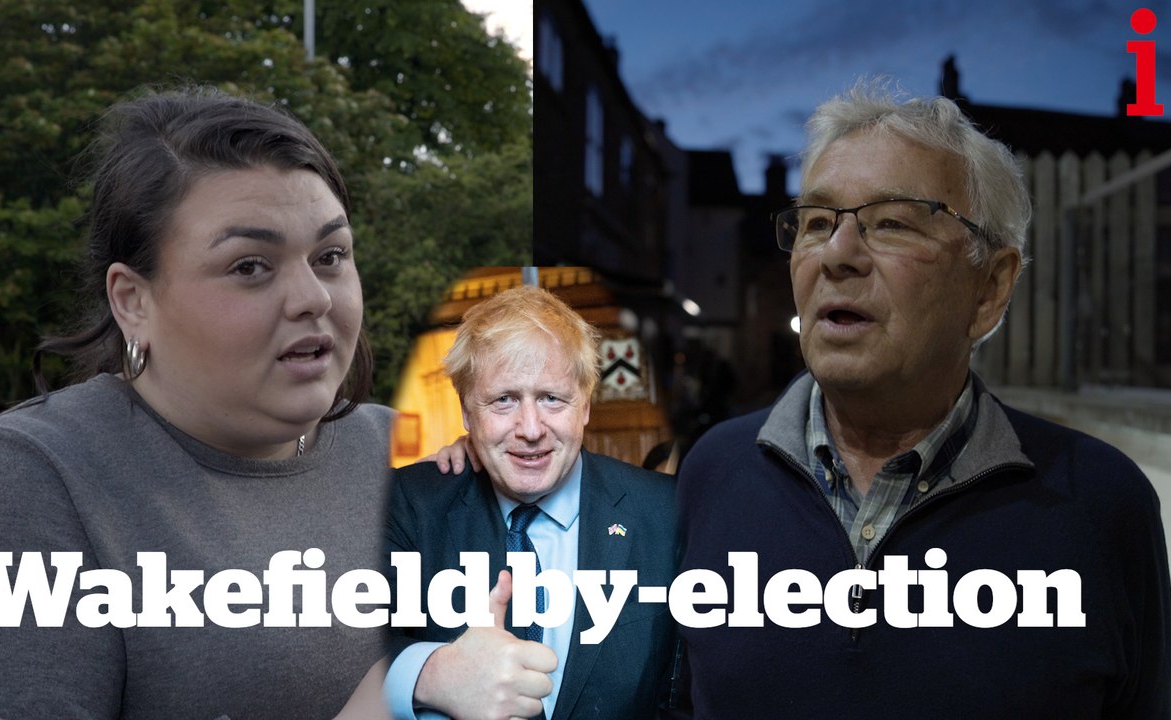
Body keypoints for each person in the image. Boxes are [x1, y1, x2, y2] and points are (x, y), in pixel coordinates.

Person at [0, 88, 393, 718]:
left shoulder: (427, 457)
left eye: (330, 257)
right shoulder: (21, 485)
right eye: (249, 267)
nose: (312, 297)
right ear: (132, 300)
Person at [673, 82, 1170, 717]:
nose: (837, 256)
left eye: (892, 223)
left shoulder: (1101, 502)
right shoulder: (714, 470)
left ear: (989, 289)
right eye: (818, 223)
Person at [385, 285, 679, 720]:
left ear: (585, 406)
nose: (530, 428)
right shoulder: (407, 504)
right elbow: (334, 649)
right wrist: (430, 674)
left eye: (551, 399)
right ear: (467, 414)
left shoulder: (667, 512)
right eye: (503, 400)